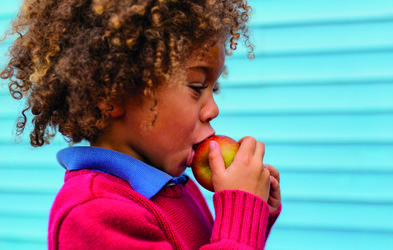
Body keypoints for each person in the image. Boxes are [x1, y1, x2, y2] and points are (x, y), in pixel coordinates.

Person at [1, 0, 281, 249]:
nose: (213, 110)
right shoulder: (94, 212)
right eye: (197, 86)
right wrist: (241, 218)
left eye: (213, 89)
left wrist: (252, 218)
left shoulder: (176, 187)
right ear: (112, 94)